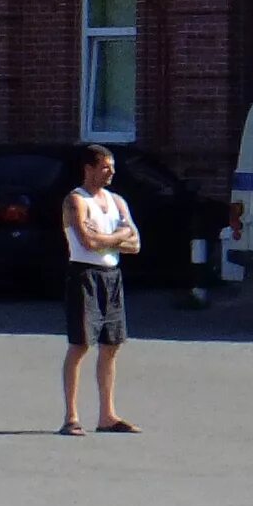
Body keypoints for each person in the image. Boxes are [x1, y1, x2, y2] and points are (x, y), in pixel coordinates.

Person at [61, 143, 143, 435]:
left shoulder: (117, 201)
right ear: (89, 168)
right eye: (105, 167)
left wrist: (111, 236)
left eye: (112, 167)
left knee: (111, 345)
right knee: (81, 344)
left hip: (112, 276)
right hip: (84, 275)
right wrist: (119, 236)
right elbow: (87, 243)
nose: (111, 172)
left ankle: (107, 416)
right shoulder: (76, 201)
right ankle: (71, 417)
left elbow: (135, 244)